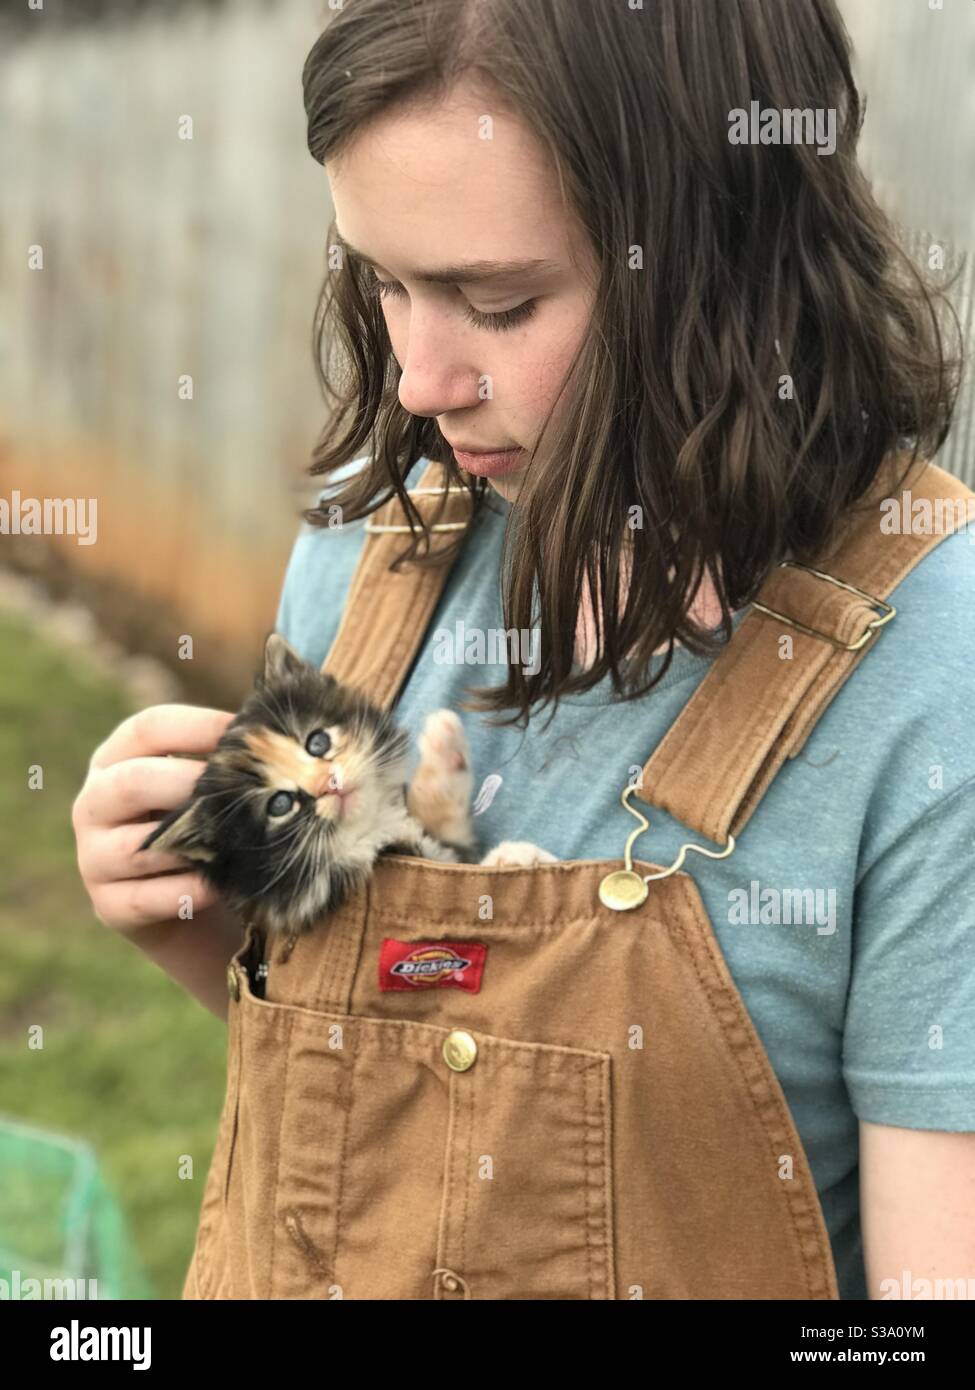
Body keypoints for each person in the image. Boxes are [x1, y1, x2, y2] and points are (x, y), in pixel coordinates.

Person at [72, 0, 974, 1301]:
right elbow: (400, 1105)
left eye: (494, 301)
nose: (416, 380)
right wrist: (191, 925)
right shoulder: (369, 559)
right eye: (381, 281)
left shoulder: (937, 673)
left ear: (728, 266)